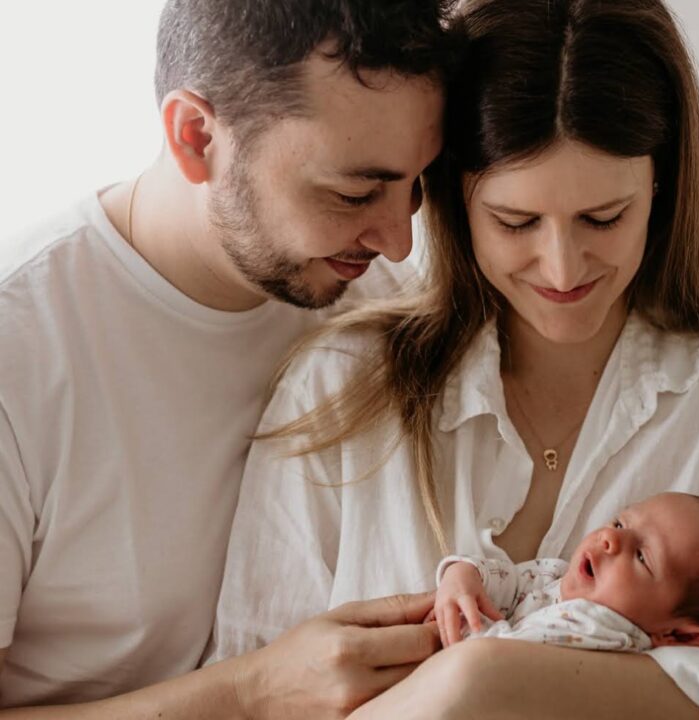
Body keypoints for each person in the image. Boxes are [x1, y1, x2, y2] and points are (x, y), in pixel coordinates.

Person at [210, 0, 699, 718]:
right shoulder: (341, 384)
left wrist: (486, 683)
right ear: (452, 200)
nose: (562, 269)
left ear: (659, 186)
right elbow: (253, 683)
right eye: (515, 221)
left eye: (603, 218)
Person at [0, 1, 458, 717]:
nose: (398, 242)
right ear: (195, 137)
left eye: (416, 185)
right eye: (355, 192)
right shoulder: (20, 350)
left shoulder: (372, 306)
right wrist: (255, 693)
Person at [433, 493, 699, 652]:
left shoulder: (597, 630)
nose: (610, 538)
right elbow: (506, 580)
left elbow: (487, 663)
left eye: (642, 556)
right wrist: (463, 575)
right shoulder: (558, 575)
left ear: (681, 636)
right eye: (620, 522)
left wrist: (461, 623)